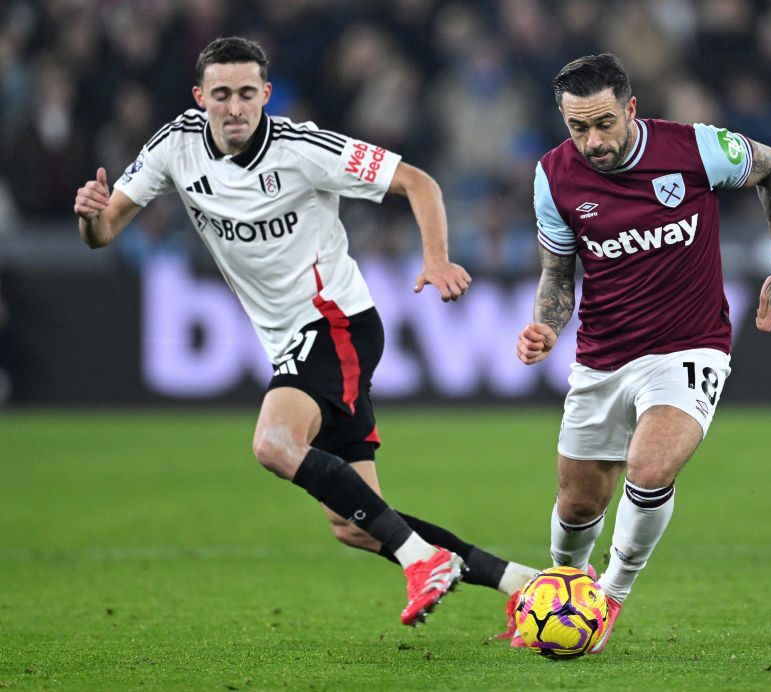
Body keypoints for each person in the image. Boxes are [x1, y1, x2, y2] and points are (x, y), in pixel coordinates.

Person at [74, 36, 535, 628]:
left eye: (246, 93)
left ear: (266, 95)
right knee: (355, 522)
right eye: (221, 95)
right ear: (200, 98)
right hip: (294, 339)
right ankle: (521, 582)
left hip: (336, 322)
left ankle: (421, 561)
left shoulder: (302, 148)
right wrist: (89, 219)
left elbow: (418, 181)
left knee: (273, 444)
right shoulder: (175, 147)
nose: (234, 107)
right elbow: (106, 230)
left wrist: (437, 259)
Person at [511, 53, 771, 653]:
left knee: (649, 468)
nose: (593, 141)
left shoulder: (696, 149)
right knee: (578, 501)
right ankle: (564, 584)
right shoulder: (552, 176)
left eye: (604, 124)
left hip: (689, 346)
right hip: (602, 355)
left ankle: (608, 600)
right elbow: (558, 275)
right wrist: (545, 326)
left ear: (631, 109)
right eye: (578, 128)